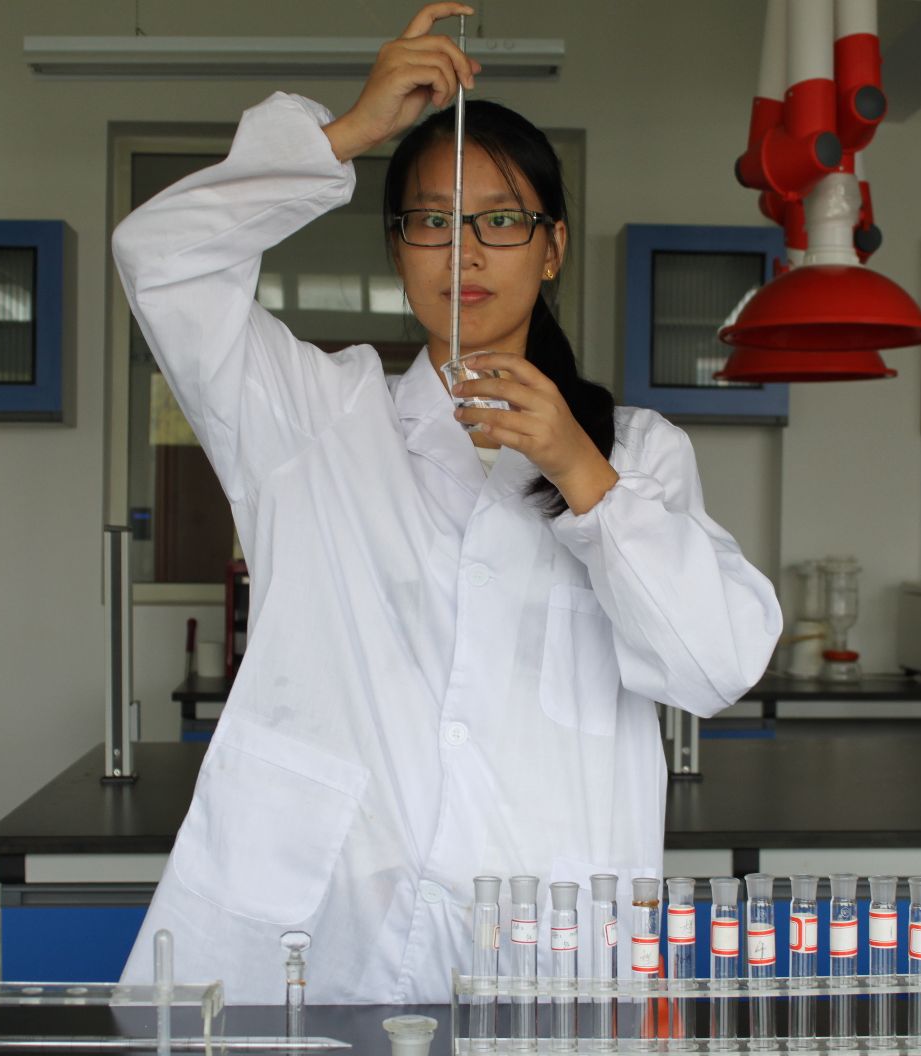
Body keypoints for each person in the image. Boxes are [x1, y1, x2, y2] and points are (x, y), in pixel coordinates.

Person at [112, 1, 781, 1004]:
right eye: (430, 221)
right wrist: (346, 133)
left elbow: (714, 665)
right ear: (397, 249)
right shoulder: (314, 418)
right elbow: (161, 259)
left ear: (551, 248)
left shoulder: (635, 453)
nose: (462, 253)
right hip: (325, 935)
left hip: (545, 950)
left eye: (501, 221)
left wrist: (582, 474)